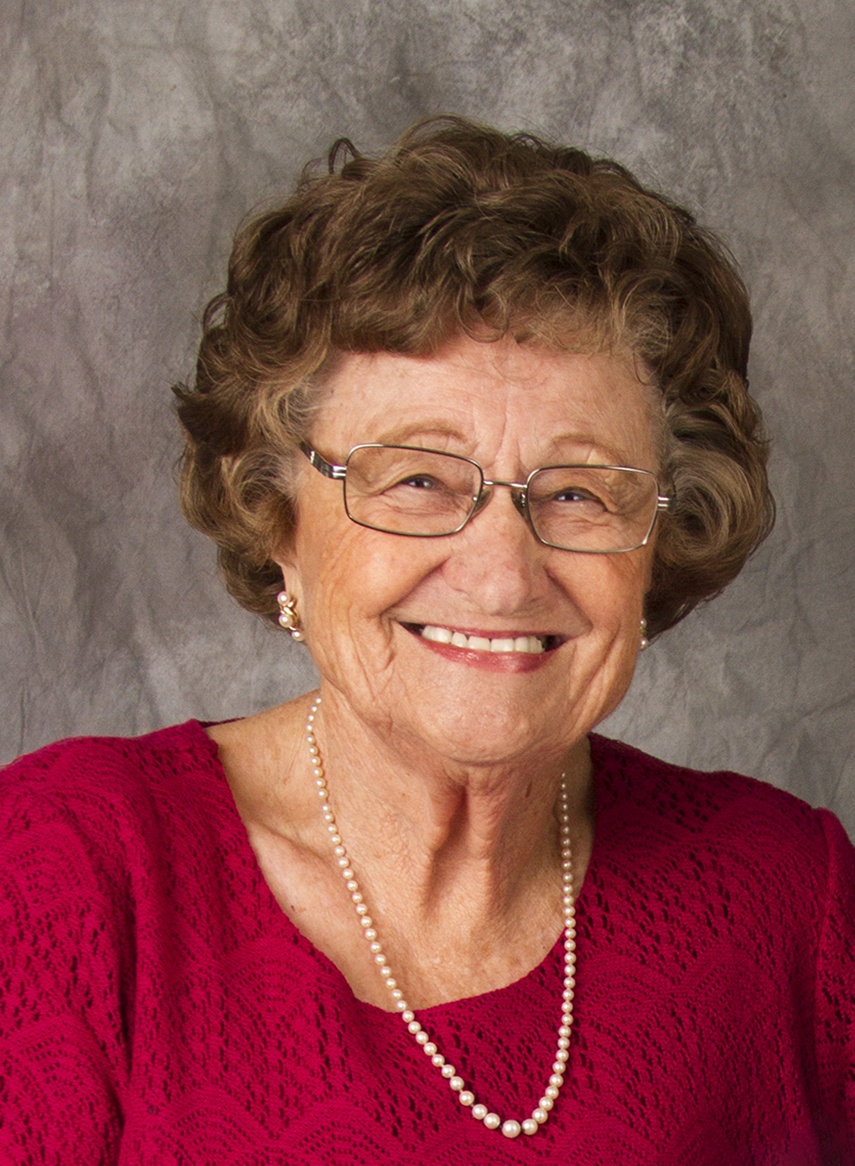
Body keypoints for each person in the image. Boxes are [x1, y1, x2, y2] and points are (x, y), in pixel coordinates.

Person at [1, 117, 853, 1166]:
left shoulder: (783, 899)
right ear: (277, 520)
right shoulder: (61, 877)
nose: (502, 573)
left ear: (657, 544)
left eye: (578, 491)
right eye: (417, 479)